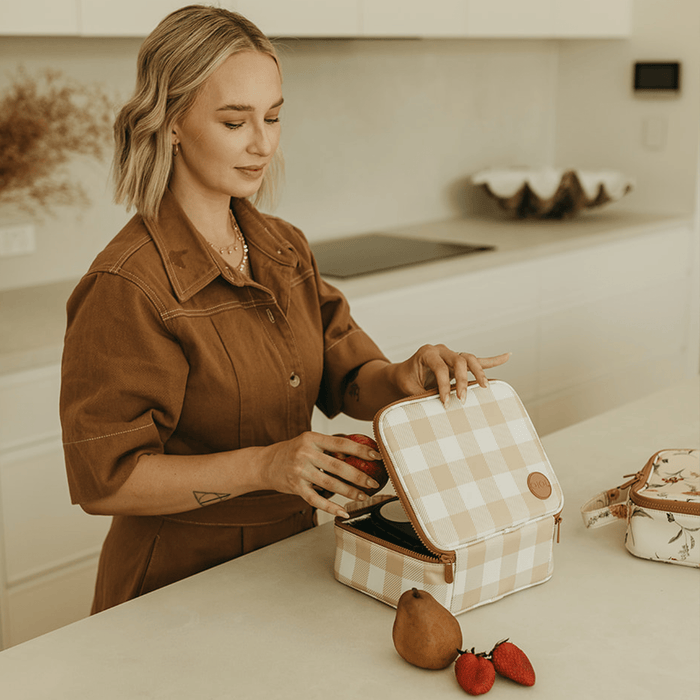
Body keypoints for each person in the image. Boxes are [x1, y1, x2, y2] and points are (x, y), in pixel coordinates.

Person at [59, 4, 510, 614]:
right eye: (233, 121)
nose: (263, 142)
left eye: (272, 117)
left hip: (293, 556)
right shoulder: (127, 286)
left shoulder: (283, 248)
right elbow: (106, 479)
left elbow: (348, 379)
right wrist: (267, 465)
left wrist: (408, 376)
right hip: (175, 585)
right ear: (170, 123)